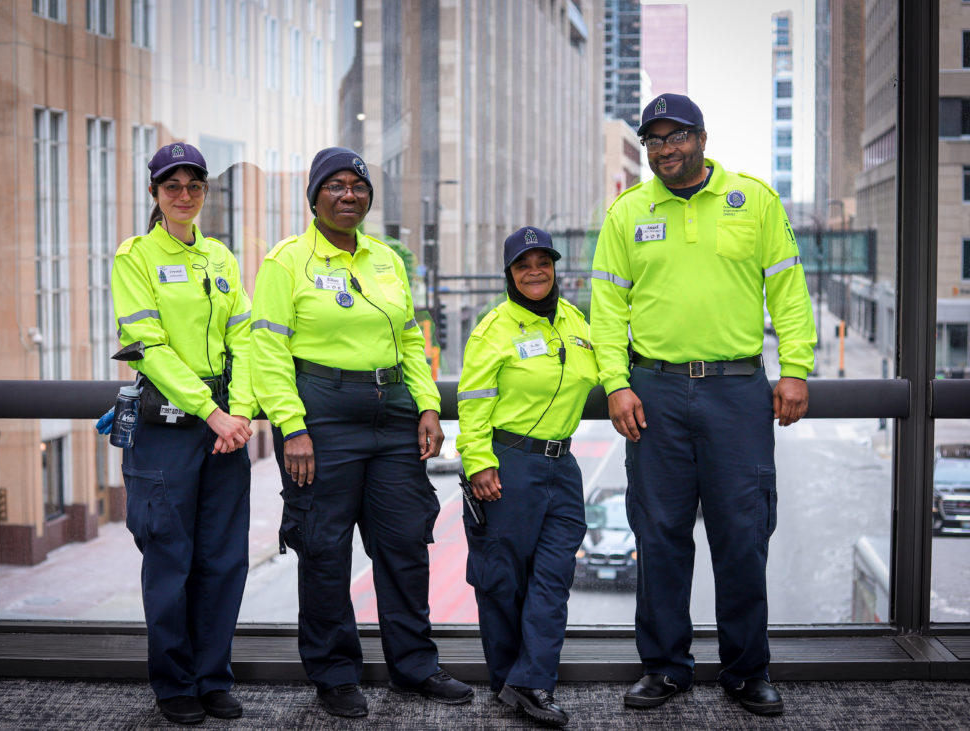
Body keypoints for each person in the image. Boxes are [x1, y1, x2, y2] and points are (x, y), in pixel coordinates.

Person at [591, 94, 816, 717]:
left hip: (736, 391)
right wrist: (616, 382)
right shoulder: (627, 213)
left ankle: (747, 672)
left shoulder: (755, 200)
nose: (665, 149)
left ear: (703, 138)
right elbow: (606, 310)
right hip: (653, 393)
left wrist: (795, 368)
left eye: (676, 136)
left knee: (742, 537)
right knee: (660, 537)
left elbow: (790, 292)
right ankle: (664, 668)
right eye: (654, 141)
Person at [250, 147, 474, 718]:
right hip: (320, 416)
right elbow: (268, 351)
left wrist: (428, 406)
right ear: (314, 195)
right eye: (336, 186)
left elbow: (408, 341)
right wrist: (292, 427)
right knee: (324, 550)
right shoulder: (286, 261)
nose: (349, 195)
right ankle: (335, 674)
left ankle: (415, 667)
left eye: (358, 186)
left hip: (393, 412)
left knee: (403, 546)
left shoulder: (386, 261)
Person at [111, 142, 256, 724]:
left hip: (225, 421)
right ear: (154, 194)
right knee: (170, 557)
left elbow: (244, 336)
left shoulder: (220, 256)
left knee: (223, 558)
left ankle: (212, 677)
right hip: (170, 421)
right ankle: (174, 684)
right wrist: (208, 410)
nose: (185, 195)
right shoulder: (136, 256)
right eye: (172, 186)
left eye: (194, 185)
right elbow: (146, 347)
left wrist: (239, 410)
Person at [456, 227, 598, 728]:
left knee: (554, 577)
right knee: (502, 579)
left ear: (556, 268)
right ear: (509, 274)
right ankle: (506, 679)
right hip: (508, 461)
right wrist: (478, 461)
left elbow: (600, 373)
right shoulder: (493, 328)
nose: (535, 271)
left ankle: (531, 680)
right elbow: (473, 401)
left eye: (544, 261)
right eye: (523, 264)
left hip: (564, 467)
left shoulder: (578, 323)